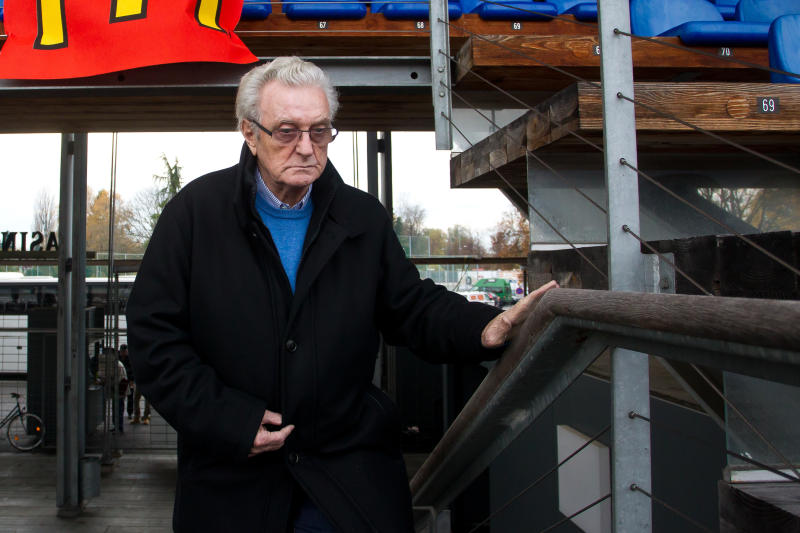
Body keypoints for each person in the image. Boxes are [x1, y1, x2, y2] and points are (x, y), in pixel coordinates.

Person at [126, 56, 557, 532]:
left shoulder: (361, 218)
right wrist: (227, 420)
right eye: (287, 131)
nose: (306, 147)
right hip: (232, 482)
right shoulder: (194, 215)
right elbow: (154, 339)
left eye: (320, 131)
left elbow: (410, 305)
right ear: (249, 133)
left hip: (344, 476)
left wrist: (484, 326)